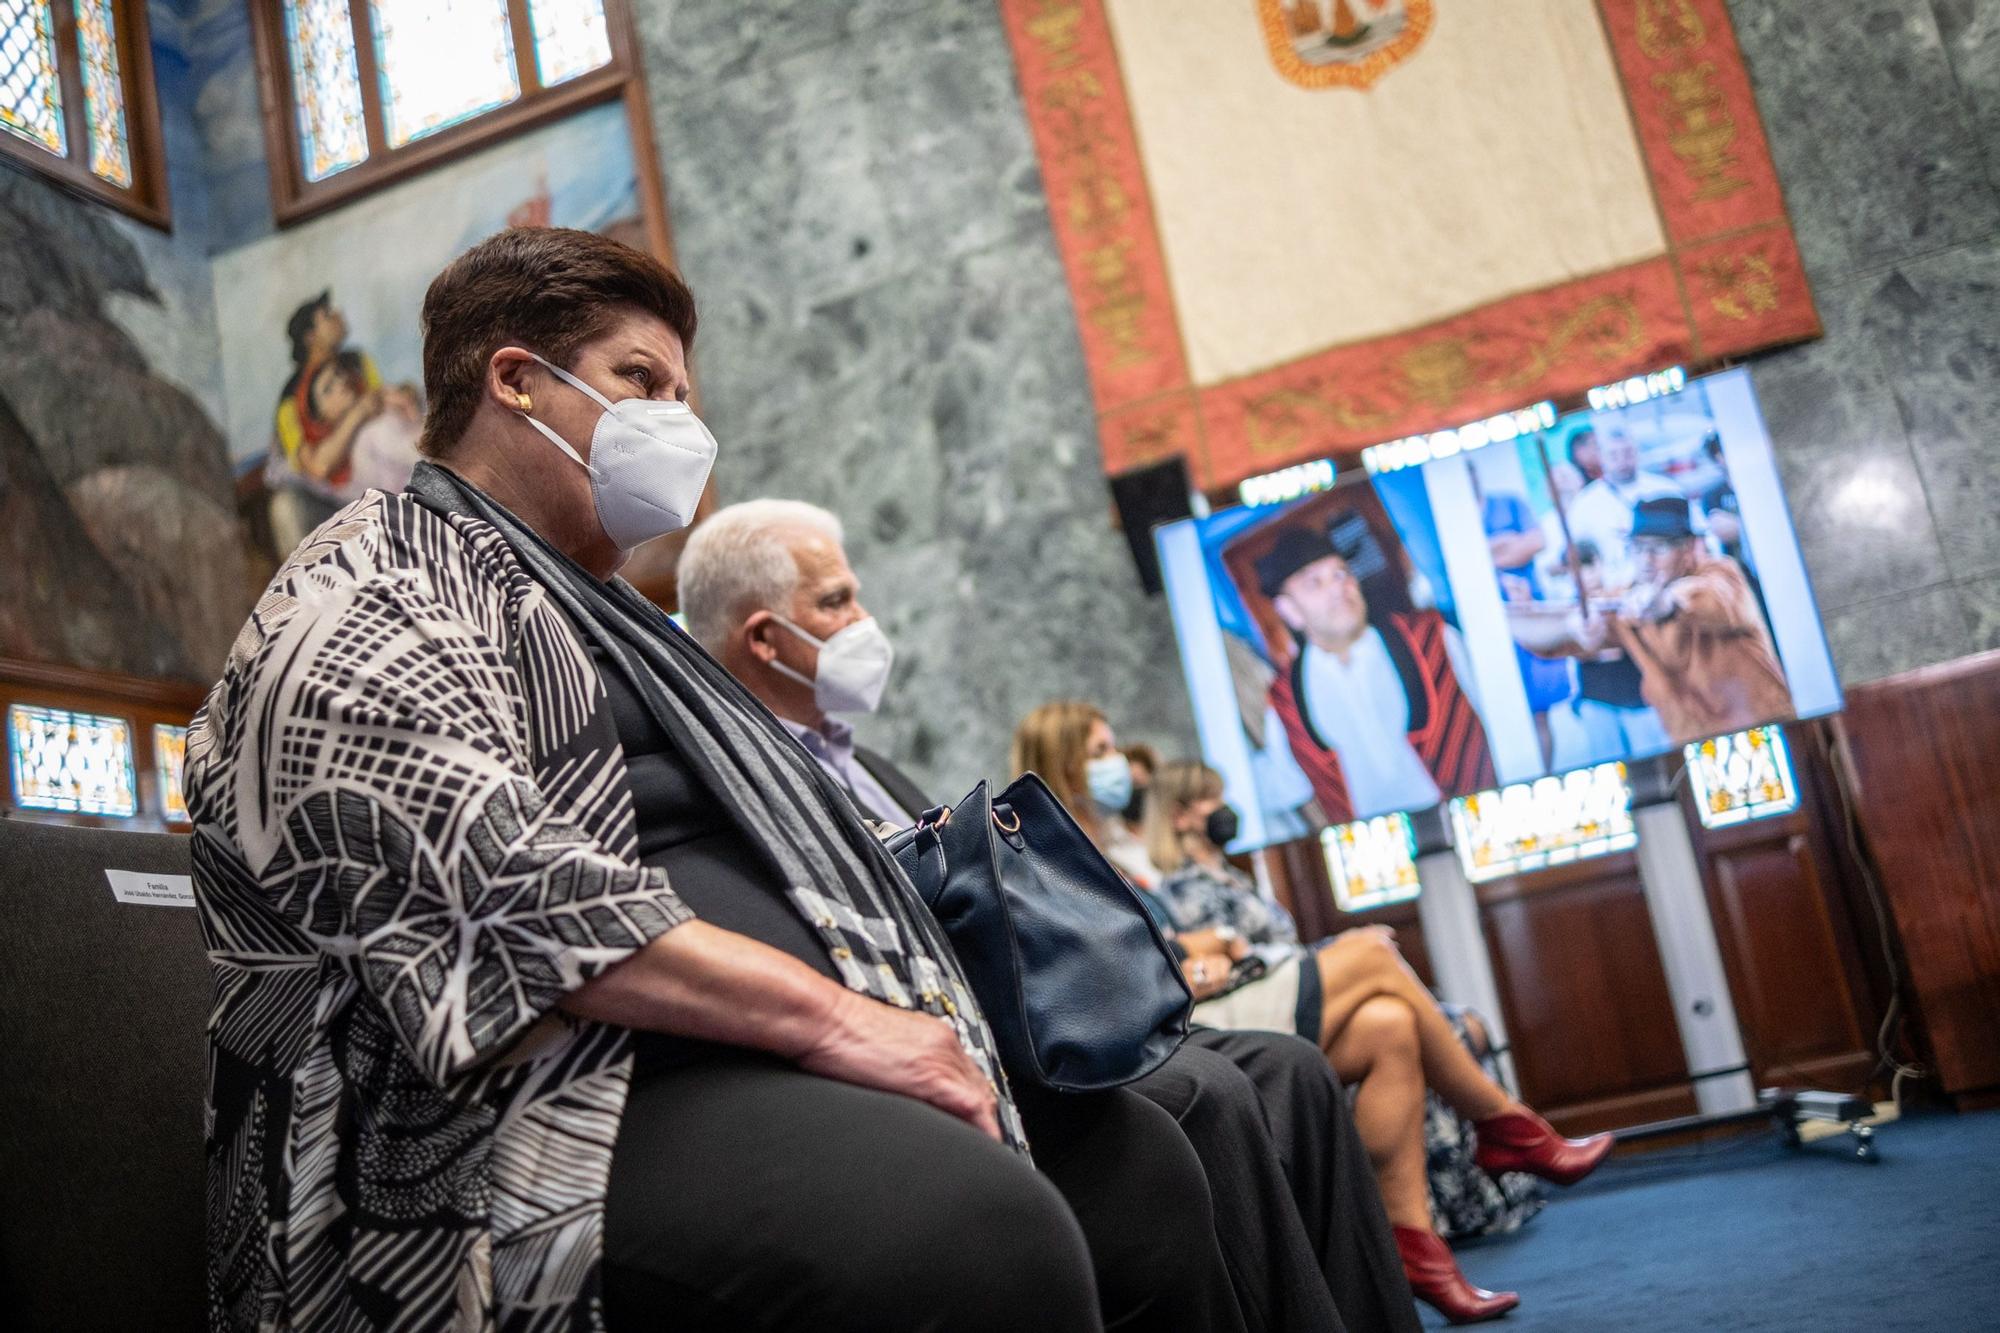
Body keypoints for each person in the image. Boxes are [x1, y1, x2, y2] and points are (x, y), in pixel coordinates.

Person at [185, 228, 1241, 1332]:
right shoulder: (366, 590)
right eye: (639, 382)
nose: (678, 425)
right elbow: (495, 888)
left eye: (684, 395)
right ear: (513, 382)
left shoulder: (608, 615)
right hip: (511, 1127)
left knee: (1137, 1178)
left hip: (707, 1059)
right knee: (972, 1237)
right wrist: (837, 1019)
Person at [680, 498, 1424, 1333]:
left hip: (1049, 1006)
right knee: (1209, 1092)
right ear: (765, 639)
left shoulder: (867, 758)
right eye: (836, 602)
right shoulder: (757, 780)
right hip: (981, 1045)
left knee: (1295, 1069)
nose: (864, 621)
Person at [1143, 759, 1609, 1325]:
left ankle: (1417, 1246)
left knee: (1389, 1024)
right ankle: (1509, 1127)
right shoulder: (1171, 881)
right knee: (1370, 953)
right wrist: (1223, 946)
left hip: (1259, 988)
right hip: (1209, 1011)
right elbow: (1185, 954)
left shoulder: (1226, 873)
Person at [1256, 522, 1494, 823]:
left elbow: (1500, 715)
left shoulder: (1432, 637)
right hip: (1372, 850)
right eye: (1314, 583)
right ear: (1289, 610)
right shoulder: (1284, 698)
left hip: (1473, 818)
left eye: (1341, 574)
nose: (1338, 589)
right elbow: (1285, 786)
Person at [1516, 496, 1792, 745]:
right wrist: (1572, 626)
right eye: (1637, 549)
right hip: (1693, 745)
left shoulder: (1721, 572)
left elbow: (1716, 599)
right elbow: (1545, 636)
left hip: (1768, 731)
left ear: (1689, 548)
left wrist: (1667, 602)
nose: (1645, 560)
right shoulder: (1626, 596)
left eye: (1657, 549)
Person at [307, 349, 424, 498]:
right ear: (321, 417)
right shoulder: (368, 434)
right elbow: (420, 455)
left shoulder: (380, 403)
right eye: (328, 389)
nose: (340, 382)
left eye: (337, 374)